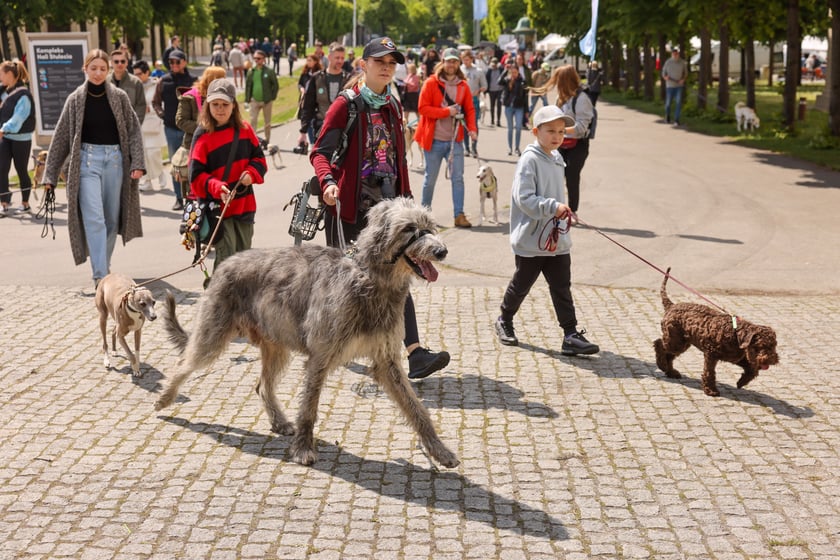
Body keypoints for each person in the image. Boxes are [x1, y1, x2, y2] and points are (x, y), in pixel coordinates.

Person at [310, 37, 450, 380]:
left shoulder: (392, 104)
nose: (387, 68)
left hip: (390, 210)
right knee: (349, 280)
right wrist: (328, 182)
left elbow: (398, 157)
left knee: (399, 275)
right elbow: (319, 152)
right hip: (352, 207)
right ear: (364, 64)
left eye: (392, 63)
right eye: (380, 62)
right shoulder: (346, 104)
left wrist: (408, 201)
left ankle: (415, 354)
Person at [494, 104, 600, 356]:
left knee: (562, 286)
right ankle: (504, 320)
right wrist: (553, 207)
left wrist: (562, 212)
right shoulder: (529, 160)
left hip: (556, 239)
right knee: (522, 284)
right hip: (532, 239)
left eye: (561, 132)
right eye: (550, 130)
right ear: (535, 131)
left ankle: (570, 335)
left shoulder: (557, 158)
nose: (557, 136)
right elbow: (524, 199)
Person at [41, 49, 145, 288]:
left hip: (115, 162)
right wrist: (50, 173)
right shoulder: (75, 100)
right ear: (85, 69)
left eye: (102, 69)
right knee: (94, 218)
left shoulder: (119, 97)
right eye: (93, 68)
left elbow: (133, 131)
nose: (98, 73)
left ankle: (103, 268)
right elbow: (61, 139)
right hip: (86, 163)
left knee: (111, 219)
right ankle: (100, 276)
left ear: (108, 70)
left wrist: (137, 163)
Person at [189, 78, 266, 278]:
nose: (220, 109)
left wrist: (251, 173)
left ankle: (242, 307)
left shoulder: (246, 130)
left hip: (244, 206)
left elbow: (260, 160)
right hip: (218, 210)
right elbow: (195, 178)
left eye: (225, 104)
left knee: (246, 262)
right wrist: (216, 186)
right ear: (207, 105)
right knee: (226, 264)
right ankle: (217, 305)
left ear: (234, 105)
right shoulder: (202, 135)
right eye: (215, 104)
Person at [417, 47, 477, 229]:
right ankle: (423, 217)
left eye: (454, 61)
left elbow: (470, 110)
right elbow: (422, 108)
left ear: (459, 63)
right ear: (442, 62)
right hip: (433, 140)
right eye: (448, 61)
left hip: (455, 141)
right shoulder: (430, 83)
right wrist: (446, 112)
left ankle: (459, 215)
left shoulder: (463, 86)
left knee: (458, 179)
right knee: (430, 179)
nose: (451, 65)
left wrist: (472, 129)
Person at [531, 65, 596, 215]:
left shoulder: (582, 99)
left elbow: (581, 127)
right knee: (556, 176)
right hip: (561, 144)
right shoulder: (561, 98)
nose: (556, 85)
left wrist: (559, 131)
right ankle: (557, 209)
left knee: (572, 177)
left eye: (558, 81)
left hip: (577, 145)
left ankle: (572, 211)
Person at [175, 65, 227, 197]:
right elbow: (180, 121)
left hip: (218, 150)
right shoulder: (190, 97)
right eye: (223, 79)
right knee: (194, 197)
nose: (226, 82)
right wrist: (204, 128)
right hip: (194, 148)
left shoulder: (223, 98)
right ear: (213, 80)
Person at [152, 48, 193, 210]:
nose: (173, 64)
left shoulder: (191, 81)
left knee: (191, 164)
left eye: (177, 61)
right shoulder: (164, 81)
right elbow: (155, 102)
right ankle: (179, 198)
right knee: (175, 164)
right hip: (170, 128)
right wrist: (163, 115)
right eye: (171, 62)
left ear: (184, 62)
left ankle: (191, 196)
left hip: (189, 130)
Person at [297, 42, 350, 149]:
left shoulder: (349, 79)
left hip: (343, 129)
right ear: (329, 57)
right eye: (337, 57)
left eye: (342, 58)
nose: (340, 61)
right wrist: (303, 132)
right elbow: (308, 106)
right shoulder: (317, 79)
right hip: (321, 127)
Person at [0, 60, 35, 217]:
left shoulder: (24, 95)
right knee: (2, 169)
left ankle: (25, 203)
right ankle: (4, 203)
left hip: (21, 138)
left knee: (21, 170)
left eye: (1, 73)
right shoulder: (2, 91)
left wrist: (3, 129)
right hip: (5, 138)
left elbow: (18, 118)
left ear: (9, 74)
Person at [132, 60, 169, 191]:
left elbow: (161, 103)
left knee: (154, 153)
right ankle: (147, 181)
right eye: (135, 74)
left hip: (153, 123)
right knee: (144, 155)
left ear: (147, 72)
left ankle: (160, 175)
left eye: (140, 74)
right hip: (139, 124)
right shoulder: (134, 86)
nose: (137, 76)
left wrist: (150, 109)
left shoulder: (156, 84)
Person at [244, 50, 279, 143]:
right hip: (254, 100)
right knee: (253, 121)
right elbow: (248, 86)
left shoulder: (269, 71)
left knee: (267, 122)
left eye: (258, 58)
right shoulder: (251, 71)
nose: (256, 60)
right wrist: (247, 99)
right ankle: (253, 142)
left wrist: (272, 97)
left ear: (263, 59)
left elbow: (275, 85)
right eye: (255, 58)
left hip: (266, 100)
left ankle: (267, 141)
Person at [460, 50, 487, 157]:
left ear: (471, 59)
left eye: (467, 59)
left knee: (474, 124)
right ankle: (466, 148)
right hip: (462, 101)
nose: (465, 62)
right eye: (463, 60)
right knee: (464, 125)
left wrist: (479, 90)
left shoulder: (478, 71)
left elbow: (485, 85)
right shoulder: (460, 70)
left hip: (473, 100)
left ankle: (474, 147)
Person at [108, 49, 146, 124]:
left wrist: (135, 126)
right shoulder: (105, 82)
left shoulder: (136, 82)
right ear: (111, 63)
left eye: (123, 61)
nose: (119, 64)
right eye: (116, 61)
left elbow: (141, 106)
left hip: (130, 129)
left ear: (127, 63)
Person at [498, 63, 528, 156]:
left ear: (518, 72)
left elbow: (525, 97)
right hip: (509, 107)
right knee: (510, 128)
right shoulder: (507, 80)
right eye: (512, 72)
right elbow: (499, 82)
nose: (514, 74)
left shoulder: (522, 81)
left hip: (519, 107)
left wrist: (527, 111)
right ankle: (510, 148)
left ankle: (517, 148)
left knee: (518, 128)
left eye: (515, 72)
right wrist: (505, 70)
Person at [662, 47, 687, 125]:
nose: (675, 55)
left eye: (676, 54)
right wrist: (665, 77)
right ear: (671, 54)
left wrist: (683, 79)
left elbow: (685, 73)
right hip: (670, 85)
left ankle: (676, 119)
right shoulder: (668, 62)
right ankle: (668, 116)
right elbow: (663, 72)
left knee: (678, 103)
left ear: (678, 54)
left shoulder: (682, 62)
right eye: (674, 54)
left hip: (678, 86)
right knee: (668, 103)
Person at [485, 57, 503, 127]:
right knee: (492, 106)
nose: (494, 66)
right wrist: (485, 91)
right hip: (492, 90)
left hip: (499, 90)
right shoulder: (489, 71)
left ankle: (498, 120)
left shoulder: (500, 70)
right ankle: (492, 120)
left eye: (495, 64)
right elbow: (487, 80)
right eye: (493, 64)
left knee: (499, 105)